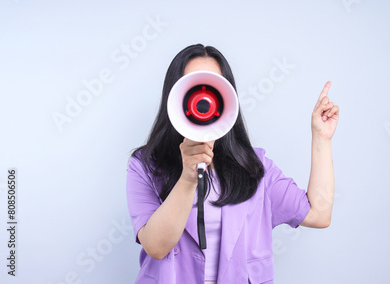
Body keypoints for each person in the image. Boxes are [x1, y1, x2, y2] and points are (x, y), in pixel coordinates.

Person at [126, 44, 339, 284]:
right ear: (175, 96)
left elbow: (318, 214)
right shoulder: (145, 166)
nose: (203, 98)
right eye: (192, 86)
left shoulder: (254, 167)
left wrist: (321, 138)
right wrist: (188, 176)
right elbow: (156, 246)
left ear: (226, 97)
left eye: (212, 87)